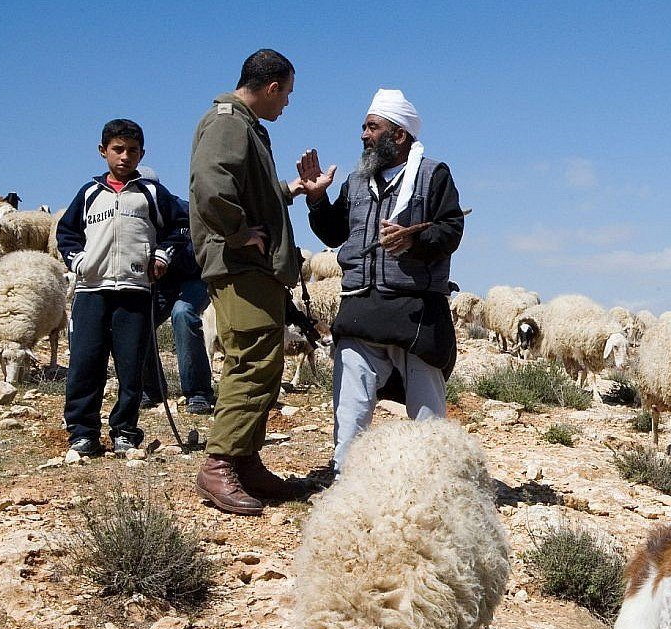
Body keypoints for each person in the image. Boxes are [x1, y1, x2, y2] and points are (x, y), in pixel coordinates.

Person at [297, 88, 465, 472]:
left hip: (416, 314)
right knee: (350, 414)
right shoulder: (356, 181)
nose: (363, 135)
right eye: (363, 127)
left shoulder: (433, 175)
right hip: (361, 311)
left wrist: (415, 238)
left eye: (371, 127)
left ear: (399, 135)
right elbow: (334, 233)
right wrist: (317, 199)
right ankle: (346, 486)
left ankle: (432, 489)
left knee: (428, 423)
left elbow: (451, 230)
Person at [188, 48, 308, 515]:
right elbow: (209, 185)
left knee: (263, 358)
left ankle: (245, 459)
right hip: (238, 264)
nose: (286, 106)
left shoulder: (244, 126)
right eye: (287, 95)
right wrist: (237, 232)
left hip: (250, 267)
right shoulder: (228, 122)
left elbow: (246, 190)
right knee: (252, 359)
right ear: (272, 87)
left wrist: (291, 191)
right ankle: (219, 465)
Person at [57, 119, 187, 458]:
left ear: (142, 153)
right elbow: (66, 233)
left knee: (131, 366)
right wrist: (79, 262)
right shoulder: (88, 194)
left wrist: (162, 255)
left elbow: (179, 226)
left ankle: (126, 432)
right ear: (103, 152)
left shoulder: (152, 194)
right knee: (85, 363)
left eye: (132, 151)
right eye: (117, 149)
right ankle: (82, 433)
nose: (124, 156)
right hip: (91, 291)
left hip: (135, 290)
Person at [139, 195, 216, 415]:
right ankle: (151, 388)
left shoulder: (178, 209)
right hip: (162, 281)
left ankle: (198, 392)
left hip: (195, 276)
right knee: (138, 319)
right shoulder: (129, 213)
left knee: (183, 313)